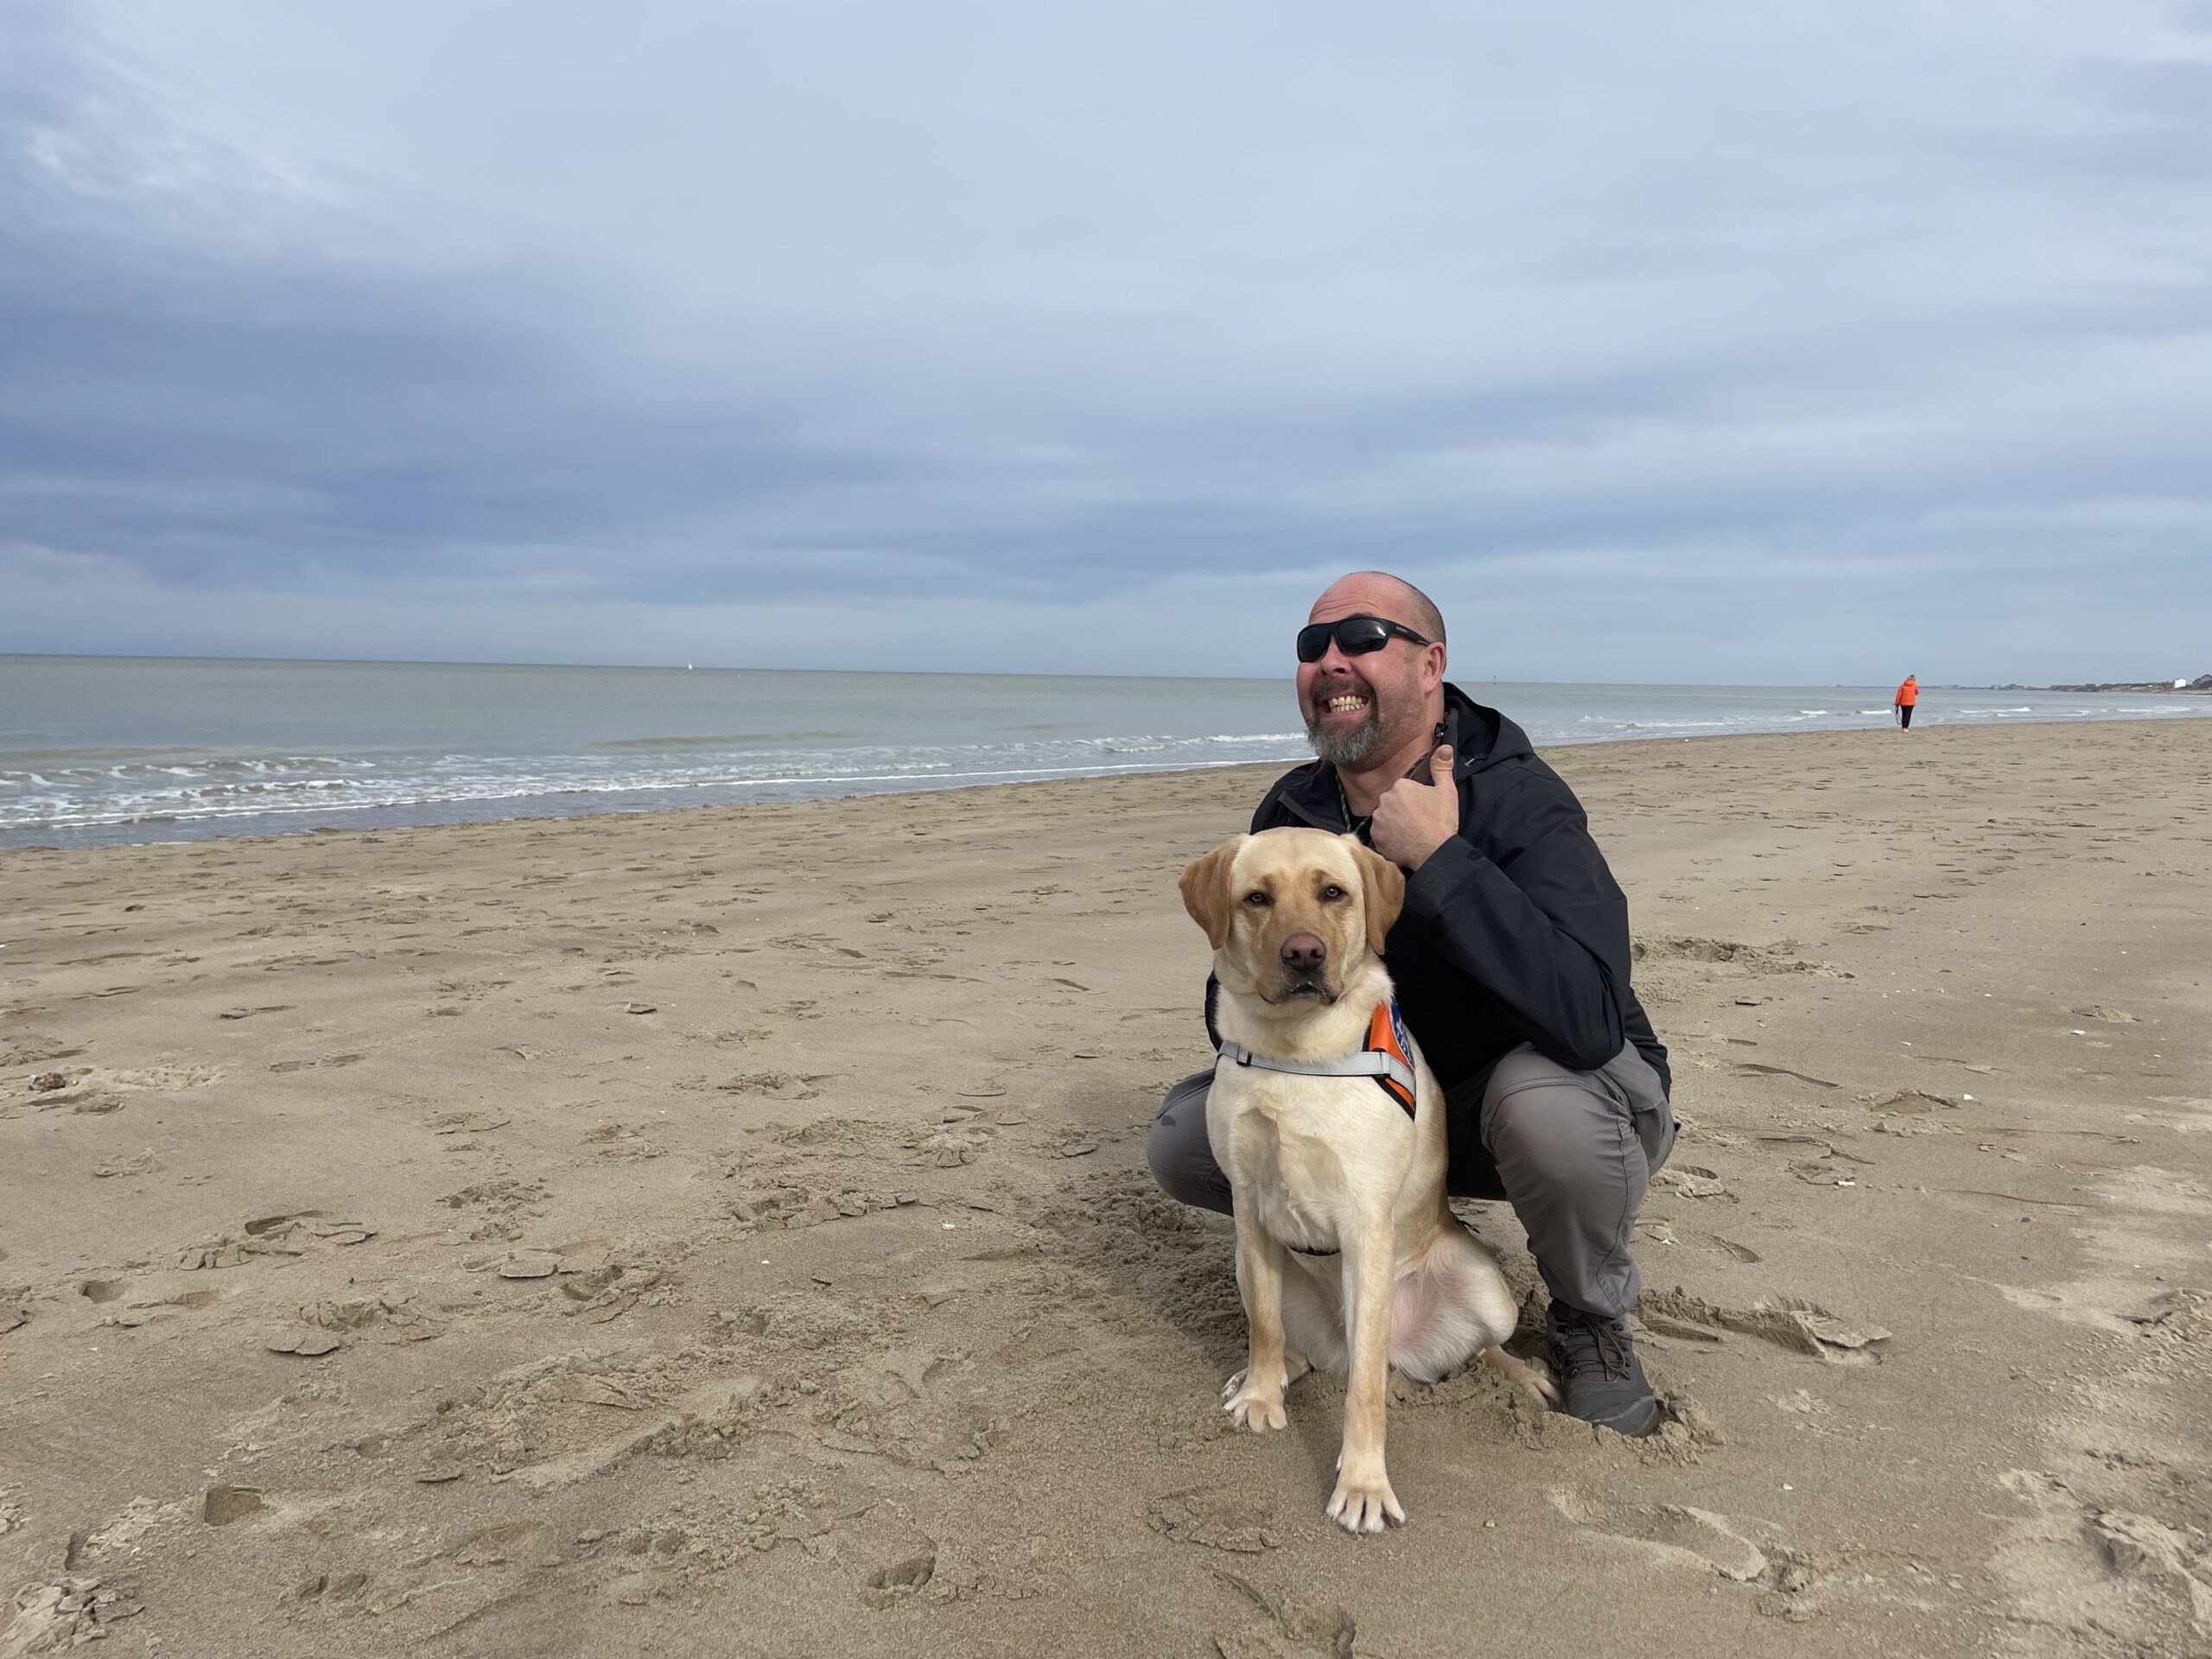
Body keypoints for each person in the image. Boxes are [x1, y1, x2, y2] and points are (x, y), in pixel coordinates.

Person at [1147, 571, 1677, 1435]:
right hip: (1390, 1102)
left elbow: (1588, 1016)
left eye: (1360, 638)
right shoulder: (1296, 807)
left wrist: (1441, 858)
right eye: (1310, 646)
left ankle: (1589, 1316)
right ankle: (1356, 1252)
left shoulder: (1517, 797)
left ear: (1430, 665)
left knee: (1542, 1110)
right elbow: (1241, 982)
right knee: (1184, 1138)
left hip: (1552, 1091)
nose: (1330, 661)